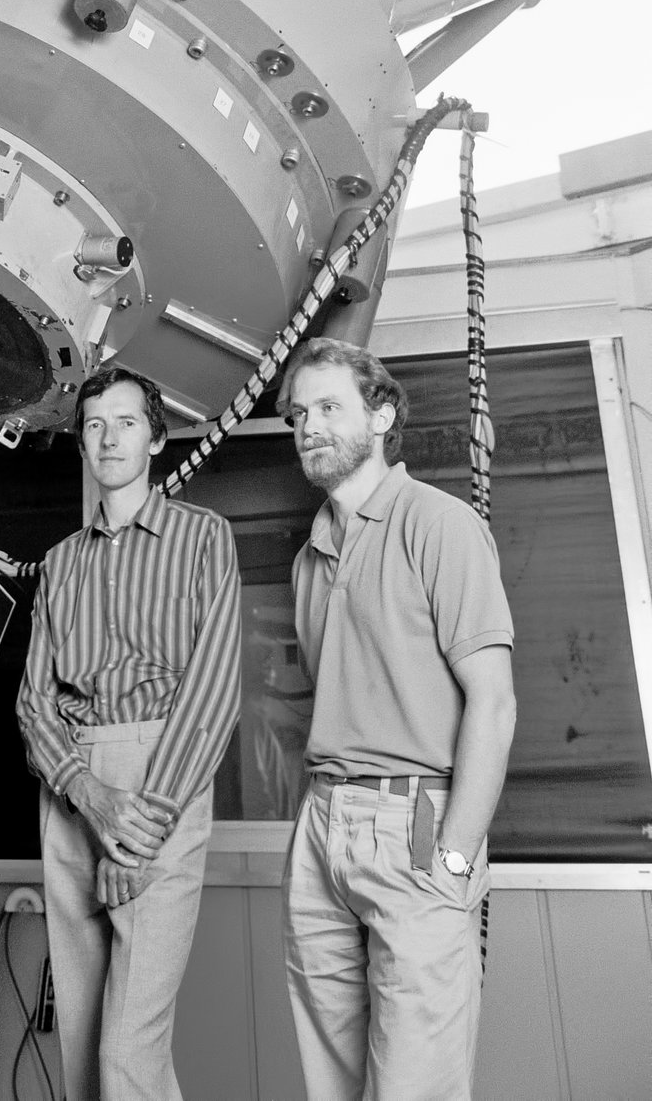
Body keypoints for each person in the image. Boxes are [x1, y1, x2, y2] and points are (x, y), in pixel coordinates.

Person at [278, 337, 517, 1101]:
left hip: (415, 821)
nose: (307, 426)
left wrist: (453, 855)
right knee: (334, 1083)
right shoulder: (310, 554)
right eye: (296, 413)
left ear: (381, 415)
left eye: (327, 407)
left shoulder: (437, 523)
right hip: (322, 827)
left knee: (416, 1085)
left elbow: (495, 701)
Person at [17, 367, 242, 1101]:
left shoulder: (205, 537)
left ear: (156, 437)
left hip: (160, 777)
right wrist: (86, 794)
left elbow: (212, 689)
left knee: (127, 1051)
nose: (108, 436)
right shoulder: (58, 564)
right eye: (93, 424)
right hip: (71, 788)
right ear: (81, 439)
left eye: (126, 421)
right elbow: (32, 704)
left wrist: (137, 826)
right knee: (82, 1049)